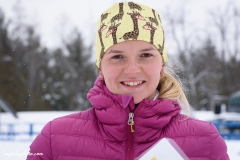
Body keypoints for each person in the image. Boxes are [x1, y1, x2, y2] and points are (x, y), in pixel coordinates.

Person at [26, 2, 229, 160]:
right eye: (117, 56)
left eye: (146, 55)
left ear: (162, 65)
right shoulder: (55, 139)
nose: (132, 69)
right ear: (101, 68)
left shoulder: (206, 142)